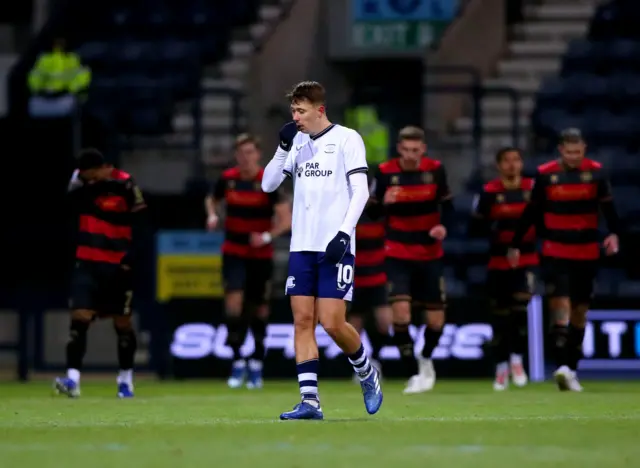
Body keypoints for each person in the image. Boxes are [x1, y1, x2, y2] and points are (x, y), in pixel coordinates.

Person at [261, 81, 383, 420]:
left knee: (332, 323)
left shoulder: (347, 139)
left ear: (320, 110)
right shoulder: (296, 142)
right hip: (302, 246)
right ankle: (310, 401)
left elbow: (359, 191)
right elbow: (268, 184)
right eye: (293, 112)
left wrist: (345, 234)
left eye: (301, 111)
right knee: (302, 321)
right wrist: (282, 148)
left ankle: (366, 372)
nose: (296, 118)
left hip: (336, 245)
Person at [508, 128, 619, 392]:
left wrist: (614, 233)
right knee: (560, 308)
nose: (573, 157)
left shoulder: (597, 173)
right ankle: (560, 367)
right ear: (561, 151)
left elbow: (608, 208)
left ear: (584, 150)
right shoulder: (546, 174)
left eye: (577, 152)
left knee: (580, 313)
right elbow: (532, 211)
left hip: (587, 251)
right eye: (569, 153)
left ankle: (571, 368)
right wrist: (516, 243)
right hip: (556, 250)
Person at [54, 148, 147, 398]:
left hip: (118, 265)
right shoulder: (82, 186)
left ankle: (125, 380)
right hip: (87, 263)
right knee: (79, 319)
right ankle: (73, 380)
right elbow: (65, 203)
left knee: (123, 324)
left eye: (93, 175)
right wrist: (79, 179)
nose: (91, 180)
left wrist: (132, 257)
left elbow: (141, 222)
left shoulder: (126, 184)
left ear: (106, 168)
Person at [368, 126, 453, 394]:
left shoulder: (436, 170)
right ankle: (413, 372)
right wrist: (385, 202)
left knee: (436, 322)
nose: (411, 155)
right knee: (400, 315)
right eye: (406, 150)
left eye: (416, 150)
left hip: (430, 253)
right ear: (399, 149)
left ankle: (425, 357)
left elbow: (448, 206)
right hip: (397, 253)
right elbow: (370, 212)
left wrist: (443, 227)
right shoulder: (384, 172)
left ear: (423, 149)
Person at [205, 133, 291, 389]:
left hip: (260, 255)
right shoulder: (228, 179)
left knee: (259, 309)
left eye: (250, 153)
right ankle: (238, 359)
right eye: (241, 153)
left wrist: (266, 236)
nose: (245, 158)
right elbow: (212, 199)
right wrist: (212, 215)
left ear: (258, 155)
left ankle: (256, 362)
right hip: (233, 250)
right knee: (234, 303)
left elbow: (286, 220)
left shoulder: (268, 181)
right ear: (236, 156)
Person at [469, 147, 536, 391]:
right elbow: (475, 228)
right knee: (500, 318)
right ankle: (501, 366)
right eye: (506, 160)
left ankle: (517, 360)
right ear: (499, 165)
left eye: (516, 159)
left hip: (526, 260)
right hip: (497, 262)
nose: (512, 165)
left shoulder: (533, 189)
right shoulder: (489, 192)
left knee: (519, 312)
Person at [350, 210, 392, 376]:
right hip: (356, 278)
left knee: (385, 322)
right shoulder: (350, 216)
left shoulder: (384, 217)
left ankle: (375, 359)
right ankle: (359, 366)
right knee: (354, 327)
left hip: (379, 277)